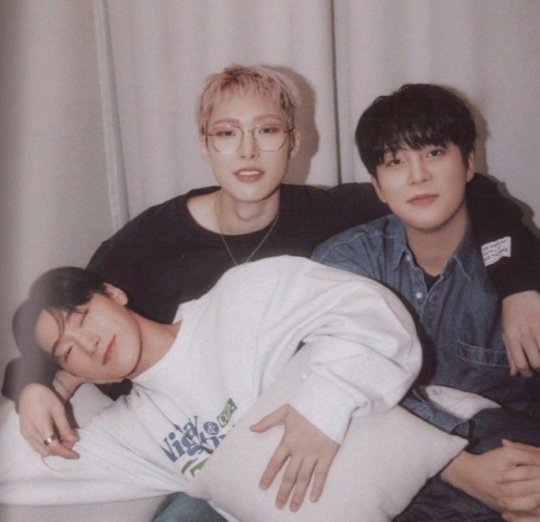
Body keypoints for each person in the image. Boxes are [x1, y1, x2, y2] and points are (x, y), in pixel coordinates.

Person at [4, 66, 540, 519]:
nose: (248, 151)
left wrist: (518, 281)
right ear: (204, 145)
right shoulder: (147, 240)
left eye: (267, 130)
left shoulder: (328, 218)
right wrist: (31, 383)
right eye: (226, 133)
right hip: (206, 454)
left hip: (354, 425)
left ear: (293, 142)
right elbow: (60, 327)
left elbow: (452, 191)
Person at [0, 256, 421, 518]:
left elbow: (378, 315)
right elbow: (11, 475)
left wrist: (322, 407)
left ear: (113, 293)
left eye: (82, 317)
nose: (89, 344)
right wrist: (37, 390)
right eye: (67, 351)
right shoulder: (134, 434)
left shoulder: (241, 297)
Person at [313, 83, 540, 521]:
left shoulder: (520, 273)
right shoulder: (346, 264)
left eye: (434, 153)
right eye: (395, 162)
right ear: (377, 186)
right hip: (382, 467)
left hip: (502, 469)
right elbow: (333, 389)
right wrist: (455, 466)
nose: (417, 176)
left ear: (469, 164)